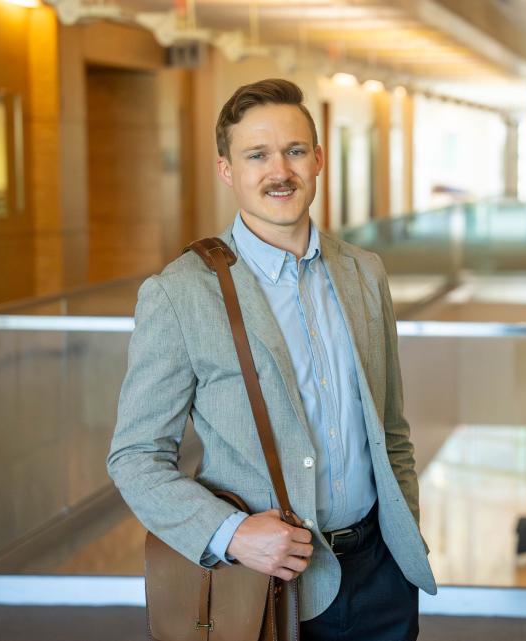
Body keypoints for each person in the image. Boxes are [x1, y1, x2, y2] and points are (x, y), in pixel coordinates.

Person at [107, 78, 435, 641]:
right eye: (256, 155)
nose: (279, 171)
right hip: (270, 589)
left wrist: (407, 535)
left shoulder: (364, 273)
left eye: (294, 150)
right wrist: (231, 534)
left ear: (318, 160)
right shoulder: (180, 294)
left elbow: (390, 430)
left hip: (383, 576)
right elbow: (135, 458)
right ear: (226, 170)